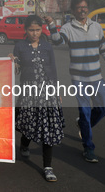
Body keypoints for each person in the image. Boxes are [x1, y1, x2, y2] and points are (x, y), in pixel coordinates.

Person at [45, 0, 105, 163]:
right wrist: (51, 25)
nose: (82, 10)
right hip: (79, 79)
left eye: (85, 7)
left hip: (97, 77)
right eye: (79, 8)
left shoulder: (97, 27)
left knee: (103, 110)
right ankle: (88, 147)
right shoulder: (68, 28)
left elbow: (104, 48)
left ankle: (82, 125)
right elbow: (58, 41)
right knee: (85, 113)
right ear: (73, 11)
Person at [10, 15, 64, 182]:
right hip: (29, 93)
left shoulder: (47, 47)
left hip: (48, 93)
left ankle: (47, 167)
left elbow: (53, 69)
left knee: (47, 128)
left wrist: (57, 90)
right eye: (31, 30)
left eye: (38, 30)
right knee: (29, 124)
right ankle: (24, 144)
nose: (35, 33)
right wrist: (12, 62)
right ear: (26, 30)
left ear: (42, 29)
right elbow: (16, 71)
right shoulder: (19, 46)